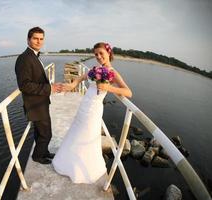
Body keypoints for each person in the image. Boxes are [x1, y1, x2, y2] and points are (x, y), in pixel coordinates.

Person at [52, 42, 132, 183]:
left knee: (87, 134)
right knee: (76, 132)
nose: (99, 56)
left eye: (101, 53)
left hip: (94, 109)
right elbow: (81, 78)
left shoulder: (113, 72)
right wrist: (72, 85)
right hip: (84, 106)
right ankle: (68, 162)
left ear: (109, 53)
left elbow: (128, 92)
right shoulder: (95, 69)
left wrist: (109, 87)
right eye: (96, 54)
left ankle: (83, 168)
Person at [15, 27, 62, 164]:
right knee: (46, 133)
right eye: (35, 38)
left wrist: (48, 89)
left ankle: (44, 152)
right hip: (35, 104)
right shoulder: (24, 58)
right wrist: (49, 88)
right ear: (28, 39)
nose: (39, 41)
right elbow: (24, 85)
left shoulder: (34, 55)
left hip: (41, 102)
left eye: (41, 39)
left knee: (40, 132)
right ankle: (38, 156)